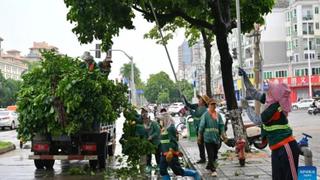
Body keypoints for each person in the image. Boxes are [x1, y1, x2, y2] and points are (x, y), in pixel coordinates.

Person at [239, 68, 300, 180]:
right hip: (276, 147)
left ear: (276, 94)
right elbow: (254, 93)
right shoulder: (271, 101)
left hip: (286, 147)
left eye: (270, 89)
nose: (267, 91)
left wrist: (246, 107)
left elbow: (257, 120)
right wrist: (245, 78)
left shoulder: (274, 107)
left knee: (290, 178)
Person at [158, 111, 200, 180]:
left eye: (161, 120)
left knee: (178, 171)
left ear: (165, 119)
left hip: (171, 154)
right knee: (162, 170)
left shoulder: (170, 128)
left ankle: (195, 174)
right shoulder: (163, 128)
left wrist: (171, 151)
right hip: (164, 154)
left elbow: (173, 141)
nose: (160, 121)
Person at [198, 98, 227, 177]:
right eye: (211, 104)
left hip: (216, 138)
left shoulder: (218, 115)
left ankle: (209, 165)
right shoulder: (205, 115)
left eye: (214, 104)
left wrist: (223, 135)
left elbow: (221, 126)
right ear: (209, 105)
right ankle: (213, 169)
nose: (213, 106)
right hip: (207, 138)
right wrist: (199, 136)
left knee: (215, 154)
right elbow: (201, 126)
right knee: (210, 154)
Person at [182, 94, 210, 164]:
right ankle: (203, 158)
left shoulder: (203, 109)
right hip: (198, 128)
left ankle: (209, 158)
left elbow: (194, 115)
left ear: (203, 102)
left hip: (203, 129)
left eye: (200, 99)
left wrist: (190, 110)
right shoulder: (197, 106)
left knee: (205, 144)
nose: (199, 100)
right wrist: (184, 99)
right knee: (200, 143)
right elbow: (189, 105)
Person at [142, 107, 161, 174]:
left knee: (157, 154)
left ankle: (159, 166)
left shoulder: (154, 123)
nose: (145, 121)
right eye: (143, 120)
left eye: (145, 119)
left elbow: (158, 131)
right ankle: (148, 166)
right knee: (148, 155)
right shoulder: (143, 124)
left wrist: (151, 136)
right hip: (148, 142)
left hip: (156, 142)